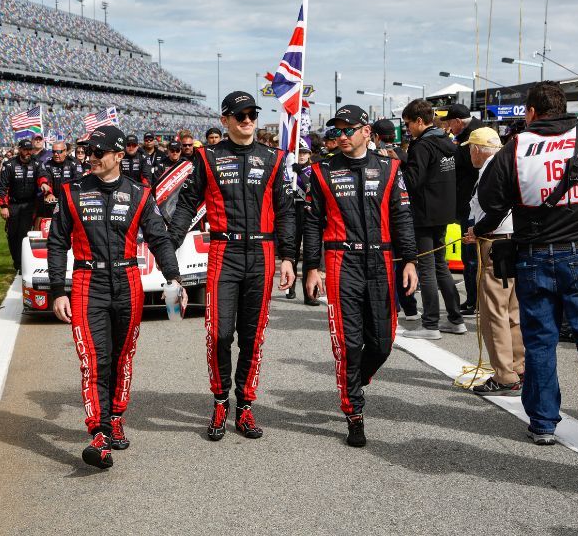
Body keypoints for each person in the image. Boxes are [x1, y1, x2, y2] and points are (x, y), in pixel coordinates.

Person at [477, 81, 578, 451]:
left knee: (540, 342)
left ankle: (543, 424)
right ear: (562, 107)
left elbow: (490, 201)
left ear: (530, 112)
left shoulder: (517, 147)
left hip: (533, 255)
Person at [47, 125, 183, 469]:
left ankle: (116, 416)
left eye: (98, 153)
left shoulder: (139, 192)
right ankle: (99, 431)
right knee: (94, 360)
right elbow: (57, 243)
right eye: (87, 152)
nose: (89, 158)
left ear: (119, 156)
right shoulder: (72, 192)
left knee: (121, 358)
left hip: (127, 278)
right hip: (86, 281)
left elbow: (159, 238)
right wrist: (57, 292)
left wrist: (173, 278)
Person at [169, 91, 295, 441]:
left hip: (263, 254)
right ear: (225, 120)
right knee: (219, 334)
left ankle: (245, 405)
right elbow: (187, 203)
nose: (247, 119)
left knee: (252, 337)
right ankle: (221, 399)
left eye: (252, 113)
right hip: (224, 252)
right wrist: (171, 240)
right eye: (239, 115)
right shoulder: (207, 157)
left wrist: (289, 257)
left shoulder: (274, 158)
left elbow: (286, 211)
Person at [304, 105, 418, 447]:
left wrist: (409, 259)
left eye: (347, 130)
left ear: (366, 132)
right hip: (341, 260)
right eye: (336, 130)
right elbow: (312, 222)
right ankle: (354, 412)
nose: (340, 136)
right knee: (350, 344)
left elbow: (402, 215)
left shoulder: (390, 167)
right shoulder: (321, 170)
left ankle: (356, 378)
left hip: (381, 260)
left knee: (383, 342)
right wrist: (312, 267)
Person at [462, 127, 525, 396]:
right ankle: (519, 367)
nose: (469, 154)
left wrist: (477, 231)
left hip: (495, 242)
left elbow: (494, 210)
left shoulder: (490, 170)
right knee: (512, 310)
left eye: (469, 148)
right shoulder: (509, 163)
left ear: (477, 149)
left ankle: (504, 375)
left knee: (493, 313)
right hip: (512, 240)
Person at [400, 99, 465, 339]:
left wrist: (401, 161)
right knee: (440, 265)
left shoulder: (422, 145)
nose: (407, 129)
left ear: (419, 121)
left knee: (426, 268)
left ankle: (430, 324)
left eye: (408, 124)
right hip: (444, 211)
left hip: (425, 213)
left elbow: (412, 181)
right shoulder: (446, 141)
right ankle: (456, 319)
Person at [371, 119, 417, 320]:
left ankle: (395, 305)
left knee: (393, 262)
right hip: (406, 213)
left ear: (376, 137)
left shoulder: (379, 158)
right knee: (402, 262)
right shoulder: (405, 154)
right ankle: (409, 307)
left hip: (389, 217)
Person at [441, 104, 483, 316]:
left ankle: (474, 301)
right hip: (470, 203)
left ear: (458, 121)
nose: (449, 128)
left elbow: (466, 165)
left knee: (471, 256)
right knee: (471, 256)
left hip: (472, 203)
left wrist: (451, 148)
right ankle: (474, 300)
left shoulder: (472, 138)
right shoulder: (472, 133)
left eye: (449, 123)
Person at [0, 138, 43, 272]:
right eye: (25, 149)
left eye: (30, 149)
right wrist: (4, 206)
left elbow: (43, 174)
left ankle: (22, 262)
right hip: (13, 204)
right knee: (12, 234)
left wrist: (44, 183)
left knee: (24, 234)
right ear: (19, 149)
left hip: (29, 205)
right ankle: (16, 260)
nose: (28, 152)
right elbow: (2, 187)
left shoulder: (36, 163)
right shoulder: (9, 165)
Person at [287, 139, 319, 305]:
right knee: (292, 251)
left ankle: (310, 293)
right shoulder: (289, 168)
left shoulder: (312, 169)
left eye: (305, 152)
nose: (302, 155)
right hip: (293, 211)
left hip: (308, 211)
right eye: (299, 152)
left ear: (309, 154)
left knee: (309, 252)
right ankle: (290, 286)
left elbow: (311, 187)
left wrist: (301, 173)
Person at [38, 141, 83, 219]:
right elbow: (45, 178)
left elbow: (78, 180)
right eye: (54, 152)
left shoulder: (74, 163)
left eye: (58, 152)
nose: (56, 154)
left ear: (65, 151)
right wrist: (48, 193)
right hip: (53, 202)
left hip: (70, 201)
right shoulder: (47, 164)